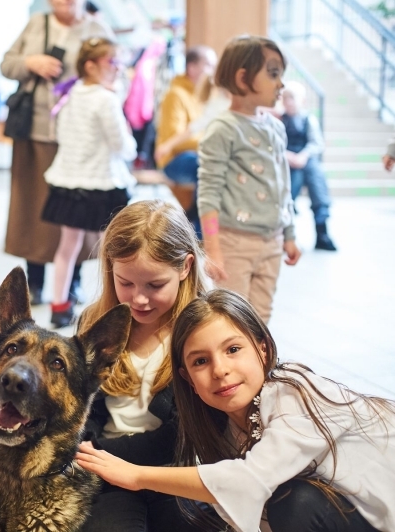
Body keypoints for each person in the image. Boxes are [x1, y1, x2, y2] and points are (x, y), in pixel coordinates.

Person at [77, 289, 395, 532]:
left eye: (233, 350)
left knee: (294, 502)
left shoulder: (291, 392)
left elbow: (250, 482)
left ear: (263, 348)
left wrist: (136, 475)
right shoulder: (225, 424)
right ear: (186, 377)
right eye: (200, 361)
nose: (220, 370)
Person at [78, 200, 212, 532]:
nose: (139, 299)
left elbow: (180, 436)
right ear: (110, 268)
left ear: (184, 268)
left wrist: (96, 453)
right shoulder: (94, 321)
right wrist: (90, 452)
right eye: (126, 283)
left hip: (175, 471)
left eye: (154, 285)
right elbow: (81, 407)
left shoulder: (200, 328)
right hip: (105, 475)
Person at [1, 0, 114, 307]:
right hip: (35, 132)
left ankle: (70, 286)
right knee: (32, 209)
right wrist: (31, 62)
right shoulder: (37, 23)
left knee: (73, 214)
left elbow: (115, 73)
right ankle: (33, 282)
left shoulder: (97, 29)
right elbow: (6, 64)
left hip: (80, 139)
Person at [197, 35, 301, 324]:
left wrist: (289, 234)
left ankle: (258, 369)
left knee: (261, 318)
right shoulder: (223, 128)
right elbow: (208, 193)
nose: (280, 83)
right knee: (232, 319)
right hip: (234, 242)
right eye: (272, 73)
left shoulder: (276, 128)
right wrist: (214, 247)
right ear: (243, 78)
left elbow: (284, 186)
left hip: (272, 241)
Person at [41, 38, 136, 328]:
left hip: (68, 181)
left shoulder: (70, 93)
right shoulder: (105, 99)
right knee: (113, 248)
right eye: (113, 63)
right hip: (101, 183)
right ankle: (114, 309)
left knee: (67, 247)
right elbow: (124, 145)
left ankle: (59, 306)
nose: (118, 69)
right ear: (91, 65)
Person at [154, 45, 217, 235]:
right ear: (192, 68)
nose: (214, 71)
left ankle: (205, 226)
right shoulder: (176, 94)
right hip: (174, 159)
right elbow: (177, 139)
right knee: (208, 166)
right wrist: (213, 142)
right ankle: (197, 230)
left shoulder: (204, 95)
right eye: (209, 65)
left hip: (197, 155)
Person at [280, 80, 336, 251]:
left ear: (302, 100)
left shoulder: (308, 120)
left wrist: (303, 156)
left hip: (306, 161)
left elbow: (316, 143)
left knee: (317, 181)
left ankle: (322, 232)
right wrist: (289, 156)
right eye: (285, 98)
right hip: (287, 163)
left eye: (292, 97)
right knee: (290, 189)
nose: (288, 101)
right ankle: (284, 234)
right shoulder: (279, 121)